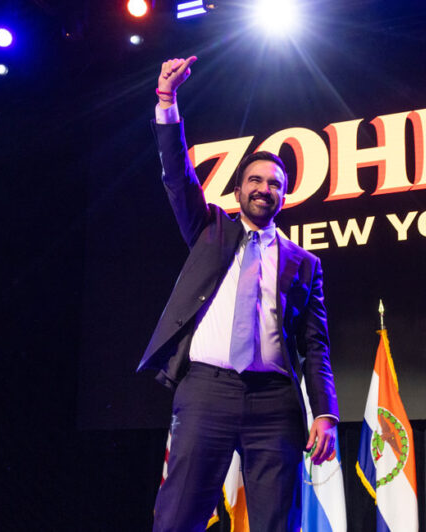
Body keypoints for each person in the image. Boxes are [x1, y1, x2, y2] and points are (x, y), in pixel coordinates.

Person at [138, 56, 339, 532]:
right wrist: (167, 102)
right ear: (239, 190)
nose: (264, 189)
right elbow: (176, 177)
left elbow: (315, 346)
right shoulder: (210, 229)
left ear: (284, 196)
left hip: (275, 403)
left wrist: (326, 412)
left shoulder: (304, 263)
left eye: (275, 184)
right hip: (206, 389)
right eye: (255, 181)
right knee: (178, 516)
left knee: (274, 522)